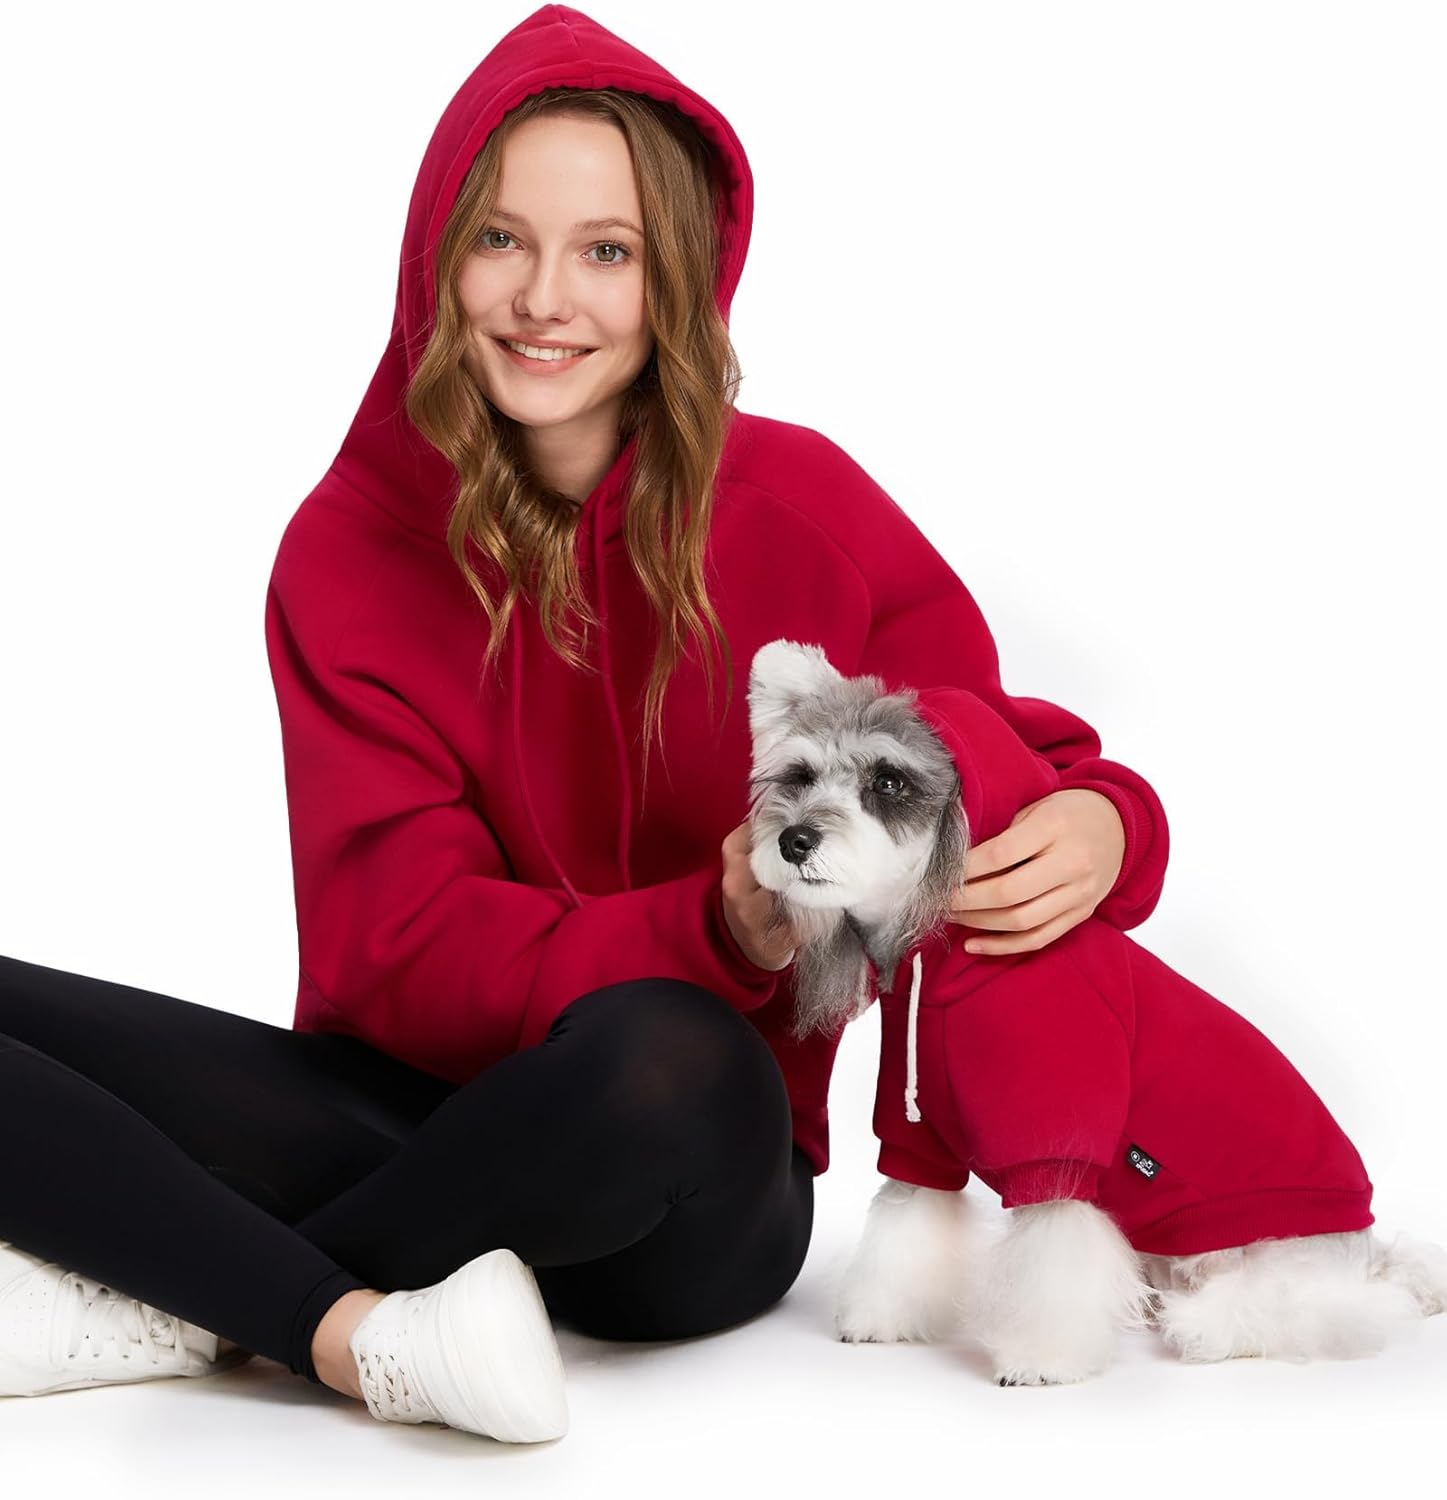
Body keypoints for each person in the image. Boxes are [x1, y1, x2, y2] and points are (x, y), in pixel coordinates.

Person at [0, 3, 1168, 1441]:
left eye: (605, 251)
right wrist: (708, 922)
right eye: (500, 239)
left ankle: (190, 1298)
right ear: (438, 257)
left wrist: (1111, 817)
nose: (545, 296)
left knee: (666, 1049)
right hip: (403, 1113)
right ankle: (348, 1328)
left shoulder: (800, 507)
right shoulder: (347, 552)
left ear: (676, 278)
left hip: (675, 1178)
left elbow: (988, 746)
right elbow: (400, 947)